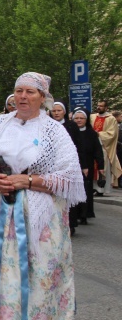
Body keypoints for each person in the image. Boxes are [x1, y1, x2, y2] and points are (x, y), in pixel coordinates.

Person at [0, 72, 85, 320]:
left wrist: (28, 181)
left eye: (30, 92)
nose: (22, 97)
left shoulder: (55, 131)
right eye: (19, 91)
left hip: (40, 217)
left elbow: (70, 177)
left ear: (43, 98)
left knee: (38, 273)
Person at [51, 101, 83, 234]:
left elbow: (78, 145)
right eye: (54, 111)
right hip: (52, 165)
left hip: (68, 163)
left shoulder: (71, 126)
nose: (56, 113)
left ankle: (71, 223)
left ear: (64, 112)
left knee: (67, 193)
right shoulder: (48, 125)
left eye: (59, 110)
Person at [72, 108, 104, 226]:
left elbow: (98, 150)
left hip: (87, 166)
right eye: (77, 118)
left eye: (81, 118)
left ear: (86, 120)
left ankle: (85, 214)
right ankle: (75, 214)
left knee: (86, 190)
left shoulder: (92, 133)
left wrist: (101, 166)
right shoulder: (69, 131)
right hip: (73, 165)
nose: (79, 120)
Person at [90, 100, 122, 195]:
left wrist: (98, 134)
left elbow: (112, 134)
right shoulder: (92, 117)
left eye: (101, 106)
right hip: (93, 147)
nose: (99, 107)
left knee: (103, 167)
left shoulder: (111, 119)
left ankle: (101, 189)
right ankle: (93, 188)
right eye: (98, 105)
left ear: (106, 107)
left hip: (104, 147)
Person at [114, 111, 122, 188]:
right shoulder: (114, 125)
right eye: (120, 116)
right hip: (117, 148)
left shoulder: (119, 125)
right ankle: (118, 182)